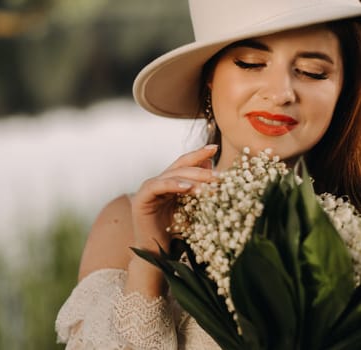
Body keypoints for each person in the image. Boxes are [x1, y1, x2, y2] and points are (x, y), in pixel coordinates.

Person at [56, 0, 361, 349]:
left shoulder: (354, 233)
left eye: (311, 71)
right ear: (209, 79)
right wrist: (150, 259)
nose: (280, 94)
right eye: (250, 63)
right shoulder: (123, 224)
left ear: (343, 88)